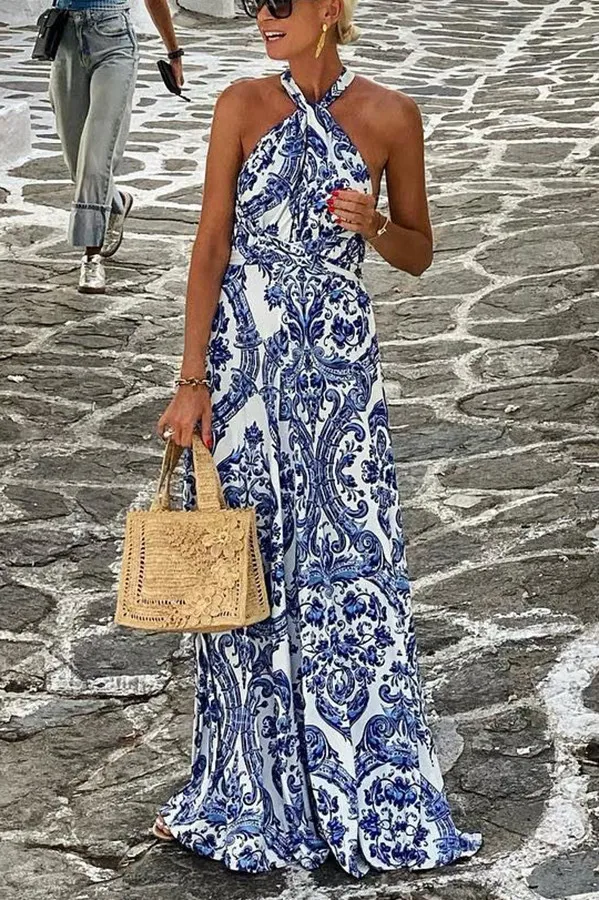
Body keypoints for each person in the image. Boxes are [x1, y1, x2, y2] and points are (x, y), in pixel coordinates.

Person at [154, 0, 483, 878]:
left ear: (329, 7)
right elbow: (211, 242)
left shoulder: (391, 115)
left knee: (348, 560)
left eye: (278, 3)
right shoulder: (240, 104)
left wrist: (372, 223)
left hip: (337, 369)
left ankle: (362, 782)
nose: (261, 17)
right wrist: (191, 379)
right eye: (252, 5)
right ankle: (247, 787)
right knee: (245, 564)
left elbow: (417, 251)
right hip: (242, 364)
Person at [49, 0, 184, 294]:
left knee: (95, 157)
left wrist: (174, 53)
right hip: (66, 41)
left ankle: (92, 256)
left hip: (114, 42)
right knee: (77, 163)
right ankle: (116, 201)